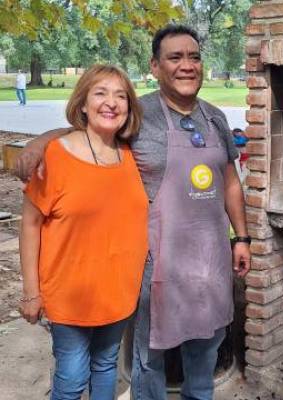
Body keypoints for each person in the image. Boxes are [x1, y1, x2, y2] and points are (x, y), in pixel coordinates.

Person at [16, 25, 251, 400]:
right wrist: (40, 141)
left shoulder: (216, 118)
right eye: (175, 57)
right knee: (148, 361)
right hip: (155, 267)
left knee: (204, 356)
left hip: (209, 262)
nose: (187, 65)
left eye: (194, 57)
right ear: (155, 66)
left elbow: (231, 181)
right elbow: (91, 129)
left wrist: (242, 237)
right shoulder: (139, 115)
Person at [19, 64, 148, 400]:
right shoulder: (55, 156)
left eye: (121, 96)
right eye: (101, 93)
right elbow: (30, 225)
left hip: (118, 292)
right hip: (69, 295)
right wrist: (31, 292)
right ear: (83, 104)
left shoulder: (132, 153)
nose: (111, 103)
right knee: (73, 376)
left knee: (105, 366)